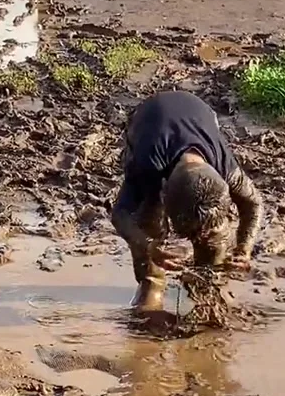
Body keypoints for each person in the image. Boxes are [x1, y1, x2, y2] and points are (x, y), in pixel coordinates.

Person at [111, 90, 263, 310]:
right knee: (149, 217)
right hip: (148, 120)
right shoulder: (147, 167)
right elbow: (120, 215)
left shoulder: (226, 169)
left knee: (216, 231)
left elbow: (254, 203)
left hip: (199, 111)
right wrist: (148, 245)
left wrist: (244, 249)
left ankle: (208, 283)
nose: (198, 238)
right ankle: (151, 284)